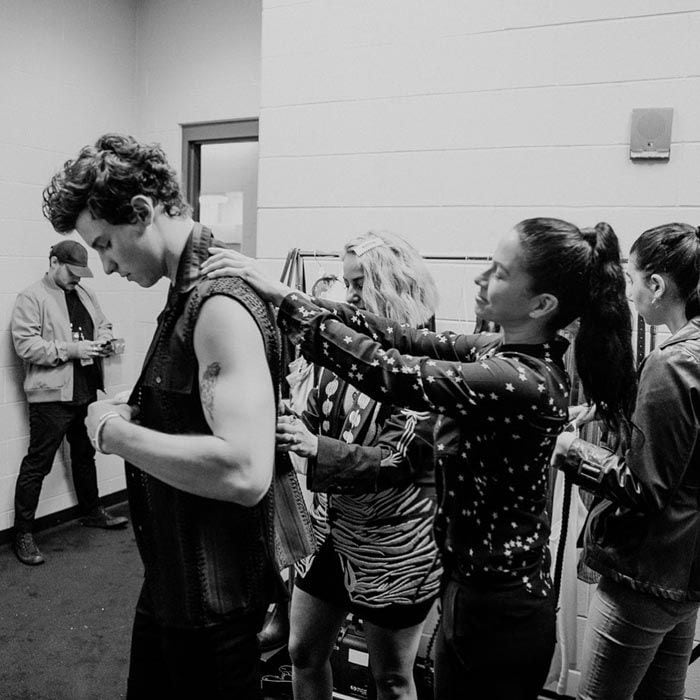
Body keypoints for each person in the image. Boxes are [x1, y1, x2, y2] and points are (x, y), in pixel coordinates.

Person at [201, 217, 637, 700]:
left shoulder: (518, 380)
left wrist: (293, 307)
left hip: (496, 610)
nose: (479, 277)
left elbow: (392, 371)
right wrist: (288, 296)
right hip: (469, 592)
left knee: (395, 679)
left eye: (498, 271)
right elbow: (403, 340)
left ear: (542, 304)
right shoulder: (500, 351)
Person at [42, 134, 284, 699]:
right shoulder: (183, 293)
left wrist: (114, 432)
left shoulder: (218, 304)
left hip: (213, 606)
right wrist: (139, 406)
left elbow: (245, 473)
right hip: (173, 584)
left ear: (143, 213)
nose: (103, 265)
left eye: (105, 245)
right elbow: (192, 412)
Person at [276, 231, 442, 700]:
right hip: (331, 531)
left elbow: (400, 456)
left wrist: (314, 446)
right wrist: (288, 421)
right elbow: (314, 416)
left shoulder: (427, 360)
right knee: (302, 651)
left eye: (357, 285)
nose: (348, 297)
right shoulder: (343, 351)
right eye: (348, 284)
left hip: (397, 546)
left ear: (391, 288)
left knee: (390, 679)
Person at [552, 223, 700, 700]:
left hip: (646, 574)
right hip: (685, 570)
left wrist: (569, 450)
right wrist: (609, 411)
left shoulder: (673, 362)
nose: (630, 292)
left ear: (656, 285)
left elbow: (646, 486)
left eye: (633, 279)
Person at [11, 239, 128, 566]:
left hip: (85, 389)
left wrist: (104, 338)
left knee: (84, 454)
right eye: (72, 272)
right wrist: (72, 350)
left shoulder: (86, 294)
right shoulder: (31, 298)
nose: (78, 278)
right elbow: (26, 346)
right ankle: (23, 533)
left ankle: (92, 512)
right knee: (38, 463)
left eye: (81, 273)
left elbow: (102, 323)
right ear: (53, 262)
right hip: (51, 396)